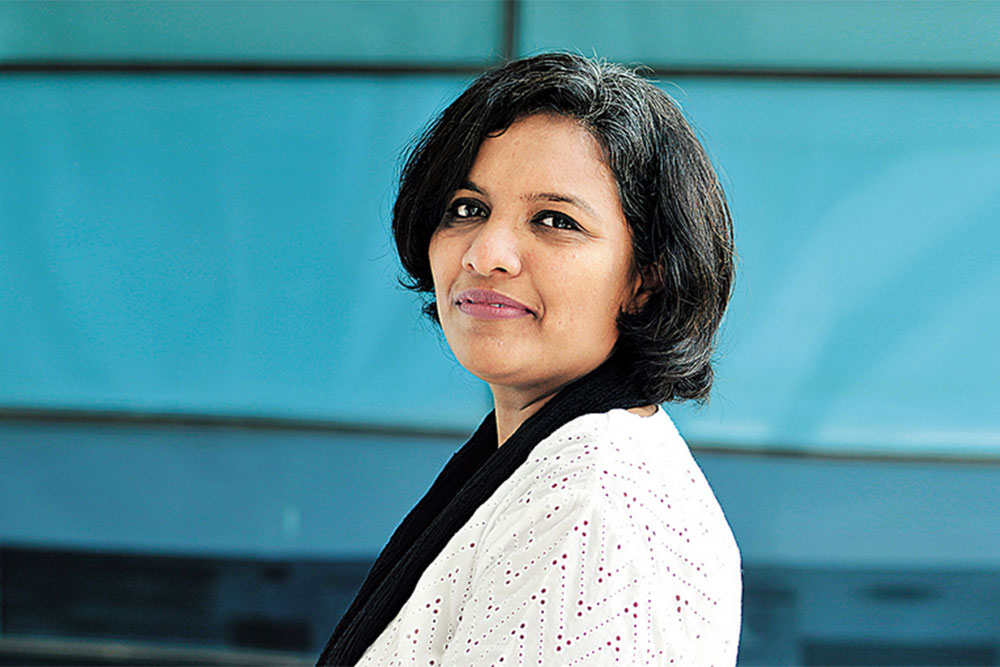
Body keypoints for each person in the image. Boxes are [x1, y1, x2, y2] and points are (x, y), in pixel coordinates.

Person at [318, 52, 740, 666]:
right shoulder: (553, 458)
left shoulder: (589, 501)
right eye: (467, 209)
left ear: (645, 279)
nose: (486, 253)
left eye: (553, 220)